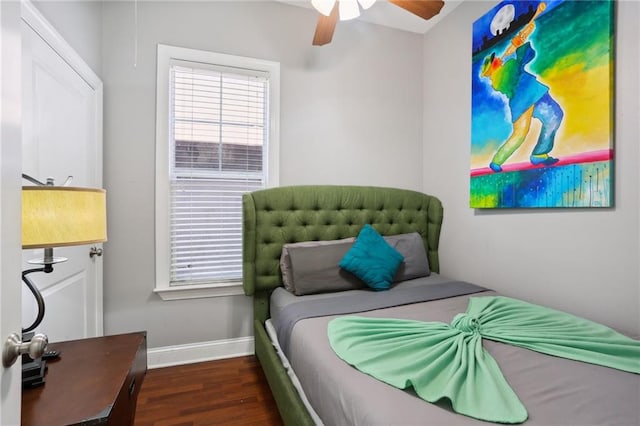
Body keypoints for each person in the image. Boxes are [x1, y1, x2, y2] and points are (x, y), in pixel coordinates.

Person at [480, 3, 563, 172]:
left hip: (535, 93)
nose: (496, 60)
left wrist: (523, 34)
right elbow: (516, 50)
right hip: (523, 101)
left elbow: (516, 44)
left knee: (554, 116)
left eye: (495, 60)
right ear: (491, 70)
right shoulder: (501, 76)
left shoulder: (505, 64)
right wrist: (519, 41)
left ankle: (540, 154)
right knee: (520, 134)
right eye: (493, 62)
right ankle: (497, 161)